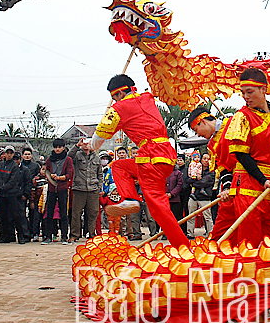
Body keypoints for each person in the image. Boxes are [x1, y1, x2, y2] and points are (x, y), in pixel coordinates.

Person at [85, 74, 189, 247]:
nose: (113, 102)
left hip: (150, 157)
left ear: (118, 94)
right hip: (166, 156)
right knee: (119, 166)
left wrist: (89, 144)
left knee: (159, 209)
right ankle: (130, 198)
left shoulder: (119, 108)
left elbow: (98, 139)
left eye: (113, 98)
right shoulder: (147, 98)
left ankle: (183, 247)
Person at [225, 68, 270, 245]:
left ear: (264, 89)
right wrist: (262, 180)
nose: (246, 97)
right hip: (249, 183)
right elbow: (241, 154)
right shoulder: (241, 117)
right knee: (250, 240)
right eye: (243, 93)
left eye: (250, 92)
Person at [188, 106, 235, 240]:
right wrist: (227, 187)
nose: (197, 135)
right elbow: (223, 167)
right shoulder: (211, 145)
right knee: (222, 228)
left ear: (203, 121)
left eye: (196, 130)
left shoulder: (233, 124)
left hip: (253, 179)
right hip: (231, 186)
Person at [69, 138, 104, 242]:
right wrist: (76, 146)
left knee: (93, 213)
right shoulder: (77, 155)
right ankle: (75, 234)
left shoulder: (96, 158)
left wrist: (99, 187)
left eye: (88, 143)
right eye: (84, 143)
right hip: (79, 188)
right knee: (76, 213)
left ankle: (92, 234)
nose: (86, 145)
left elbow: (100, 174)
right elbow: (68, 157)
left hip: (93, 189)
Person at [0, 146, 29, 244]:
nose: (9, 155)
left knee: (16, 216)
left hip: (12, 194)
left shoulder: (14, 166)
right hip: (1, 195)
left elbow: (12, 182)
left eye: (11, 153)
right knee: (2, 216)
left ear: (13, 154)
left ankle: (21, 236)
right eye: (7, 153)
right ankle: (5, 236)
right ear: (4, 154)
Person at [42, 139, 73, 244]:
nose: (57, 149)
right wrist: (50, 176)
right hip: (51, 188)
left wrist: (61, 178)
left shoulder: (68, 159)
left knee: (63, 213)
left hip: (62, 188)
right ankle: (48, 236)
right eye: (56, 147)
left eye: (59, 147)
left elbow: (70, 174)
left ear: (63, 147)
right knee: (49, 212)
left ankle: (64, 236)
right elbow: (47, 171)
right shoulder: (49, 160)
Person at [188, 153, 216, 237]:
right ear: (201, 159)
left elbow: (204, 182)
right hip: (193, 196)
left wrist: (194, 183)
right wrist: (195, 179)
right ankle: (190, 233)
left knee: (207, 217)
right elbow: (188, 180)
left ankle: (210, 233)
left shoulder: (211, 172)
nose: (206, 160)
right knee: (190, 216)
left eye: (208, 159)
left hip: (205, 197)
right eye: (204, 158)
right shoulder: (194, 168)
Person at [18, 148, 40, 240]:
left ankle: (33, 232)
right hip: (22, 191)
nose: (27, 156)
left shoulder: (35, 166)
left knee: (33, 213)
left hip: (33, 192)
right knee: (21, 213)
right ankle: (24, 232)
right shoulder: (19, 166)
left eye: (29, 154)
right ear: (22, 155)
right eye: (25, 154)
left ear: (31, 155)